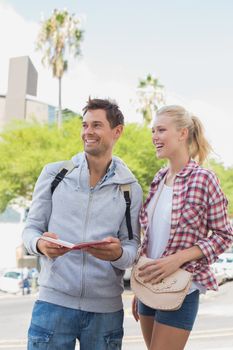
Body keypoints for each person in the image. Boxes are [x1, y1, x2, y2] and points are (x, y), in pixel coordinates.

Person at [22, 98, 143, 350]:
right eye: (85, 125)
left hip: (105, 312)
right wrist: (40, 244)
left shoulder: (129, 188)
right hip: (53, 305)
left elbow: (133, 247)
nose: (88, 132)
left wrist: (118, 254)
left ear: (117, 131)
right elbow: (30, 229)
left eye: (96, 125)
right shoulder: (54, 174)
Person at [132, 105, 233, 350]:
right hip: (150, 284)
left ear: (182, 133)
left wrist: (177, 259)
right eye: (153, 131)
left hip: (181, 287)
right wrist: (140, 288)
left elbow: (224, 235)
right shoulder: (158, 178)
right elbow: (151, 239)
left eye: (161, 130)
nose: (154, 137)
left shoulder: (204, 179)